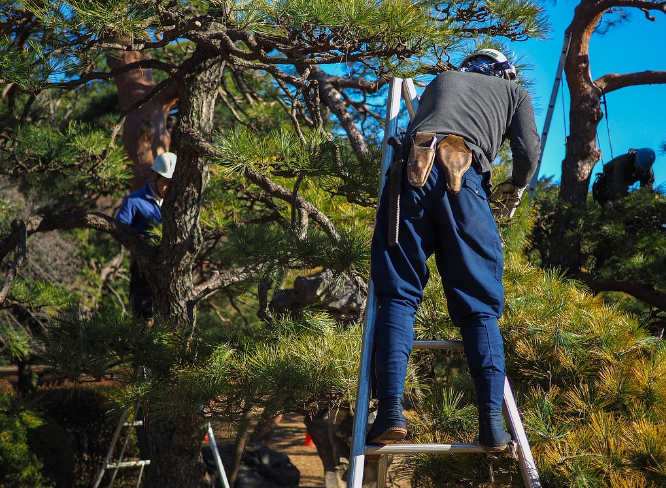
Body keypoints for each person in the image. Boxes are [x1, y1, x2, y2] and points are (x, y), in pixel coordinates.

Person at [366, 48, 540, 452]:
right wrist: (513, 188)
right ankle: (492, 425)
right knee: (479, 306)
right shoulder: (514, 92)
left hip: (409, 177)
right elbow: (528, 152)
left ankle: (390, 412)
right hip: (466, 181)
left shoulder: (441, 80)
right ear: (505, 72)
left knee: (398, 294)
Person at [116, 152, 177, 319]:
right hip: (143, 268)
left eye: (172, 184)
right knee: (144, 315)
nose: (168, 188)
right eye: (165, 183)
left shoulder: (177, 204)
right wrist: (141, 241)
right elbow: (119, 231)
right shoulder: (134, 201)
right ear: (154, 175)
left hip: (171, 269)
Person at [592, 148, 656, 207]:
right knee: (611, 209)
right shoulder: (622, 162)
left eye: (641, 168)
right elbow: (618, 186)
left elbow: (648, 190)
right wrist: (629, 200)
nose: (638, 169)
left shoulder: (647, 171)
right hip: (606, 188)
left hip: (622, 188)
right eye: (638, 166)